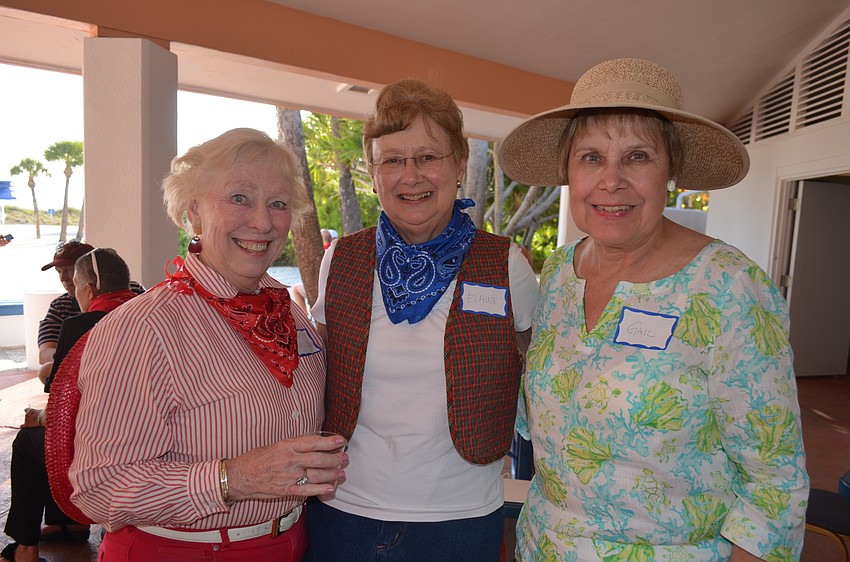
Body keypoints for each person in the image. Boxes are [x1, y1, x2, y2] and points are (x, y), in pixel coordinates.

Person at [498, 58, 809, 561]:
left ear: (673, 170)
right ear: (567, 172)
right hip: (544, 546)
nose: (612, 181)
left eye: (637, 156)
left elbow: (775, 479)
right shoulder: (558, 275)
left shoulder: (727, 288)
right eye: (591, 158)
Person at [67, 128, 346, 561]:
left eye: (278, 203)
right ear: (193, 211)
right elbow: (100, 490)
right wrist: (232, 478)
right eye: (239, 198)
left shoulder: (289, 315)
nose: (262, 221)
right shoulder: (144, 329)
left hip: (293, 541)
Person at [305, 79, 539, 561]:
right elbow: (312, 376)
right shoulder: (342, 260)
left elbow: (540, 371)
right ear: (374, 174)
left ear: (457, 165)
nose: (411, 175)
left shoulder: (505, 262)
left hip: (460, 518)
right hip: (343, 509)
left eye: (428, 156)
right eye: (392, 160)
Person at [2, 248, 137, 562]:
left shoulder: (79, 328)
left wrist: (38, 416)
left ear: (88, 289)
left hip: (105, 450)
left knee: (30, 442)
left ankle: (25, 549)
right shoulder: (153, 318)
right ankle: (70, 523)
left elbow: (65, 405)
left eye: (75, 285)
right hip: (152, 442)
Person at [37, 240, 145, 385]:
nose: (63, 278)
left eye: (70, 270)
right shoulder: (59, 306)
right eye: (59, 272)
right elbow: (44, 353)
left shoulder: (75, 325)